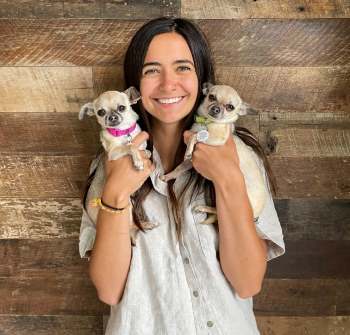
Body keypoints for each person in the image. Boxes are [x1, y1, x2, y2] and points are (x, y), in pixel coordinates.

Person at [79, 16, 285, 335]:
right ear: (134, 88)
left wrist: (228, 179)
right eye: (151, 71)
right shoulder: (111, 164)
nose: (167, 84)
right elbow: (108, 290)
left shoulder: (241, 158)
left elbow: (247, 283)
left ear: (203, 79)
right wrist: (117, 194)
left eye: (182, 67)